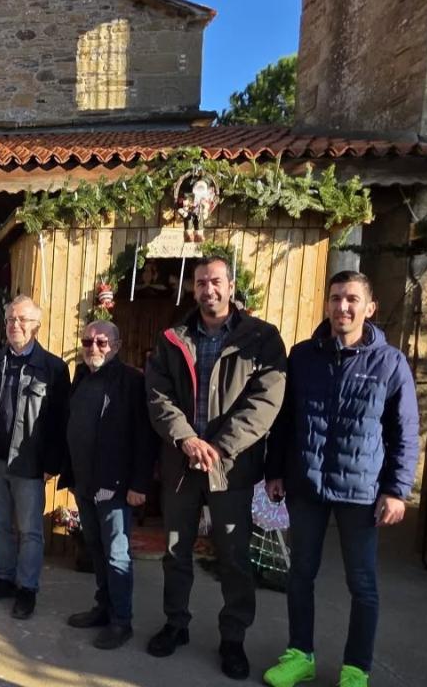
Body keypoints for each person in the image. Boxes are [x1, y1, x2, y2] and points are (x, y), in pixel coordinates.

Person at [261, 271, 420, 687]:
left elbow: (404, 431)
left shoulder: (390, 363)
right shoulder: (302, 356)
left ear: (370, 308)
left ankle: (355, 669)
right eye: (335, 298)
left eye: (351, 299)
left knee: (362, 583)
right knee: (301, 574)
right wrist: (274, 471)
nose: (342, 307)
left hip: (361, 492)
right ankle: (300, 655)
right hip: (306, 485)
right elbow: (284, 420)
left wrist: (396, 490)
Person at [144, 256, 286, 680]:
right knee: (175, 551)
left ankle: (233, 638)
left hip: (233, 469)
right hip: (182, 464)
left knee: (234, 557)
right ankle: (176, 623)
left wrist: (219, 448)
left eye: (216, 281)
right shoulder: (173, 338)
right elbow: (158, 395)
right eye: (202, 282)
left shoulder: (261, 338)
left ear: (231, 285)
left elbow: (265, 400)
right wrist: (186, 439)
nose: (209, 289)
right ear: (194, 288)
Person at [60, 320, 155, 649]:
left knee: (117, 554)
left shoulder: (132, 381)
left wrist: (139, 484)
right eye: (88, 342)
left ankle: (121, 621)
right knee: (95, 548)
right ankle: (103, 608)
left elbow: (145, 437)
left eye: (102, 342)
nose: (94, 348)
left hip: (115, 486)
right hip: (84, 481)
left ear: (116, 346)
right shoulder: (81, 376)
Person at [0, 296, 68, 620]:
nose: (16, 325)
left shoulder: (53, 368)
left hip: (30, 464)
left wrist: (51, 465)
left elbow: (60, 421)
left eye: (23, 319)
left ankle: (27, 588)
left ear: (36, 326)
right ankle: (4, 578)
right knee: (0, 525)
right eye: (11, 319)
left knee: (30, 530)